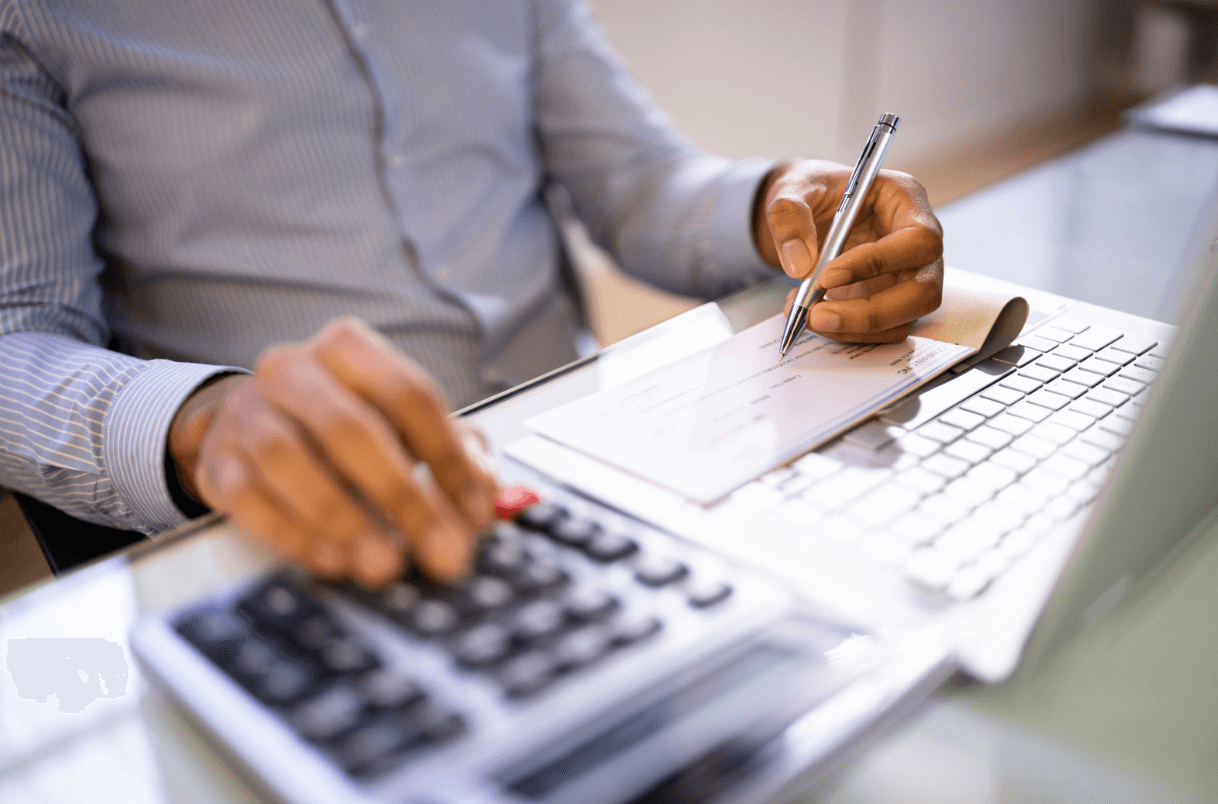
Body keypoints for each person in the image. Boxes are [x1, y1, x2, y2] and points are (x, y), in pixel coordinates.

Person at [0, 0, 943, 588]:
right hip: (315, 531)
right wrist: (203, 421)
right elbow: (17, 336)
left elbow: (634, 181)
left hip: (592, 475)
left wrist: (783, 206)